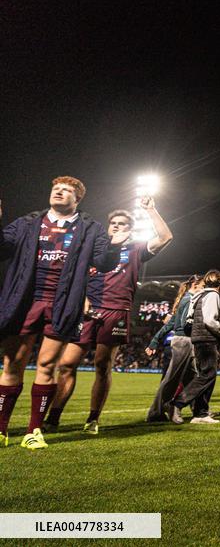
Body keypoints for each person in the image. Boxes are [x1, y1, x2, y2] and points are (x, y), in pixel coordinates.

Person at [0, 177, 127, 449]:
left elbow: (103, 264)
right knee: (13, 365)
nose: (59, 191)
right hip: (24, 301)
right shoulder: (28, 222)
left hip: (63, 303)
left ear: (77, 198)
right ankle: (1, 429)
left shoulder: (91, 229)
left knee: (47, 367)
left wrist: (115, 246)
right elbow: (3, 248)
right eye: (56, 188)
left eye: (67, 190)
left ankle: (34, 431)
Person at [45, 199, 173, 433]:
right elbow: (77, 278)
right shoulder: (95, 249)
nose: (116, 226)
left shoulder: (136, 249)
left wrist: (150, 209)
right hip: (87, 311)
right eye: (113, 223)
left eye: (122, 223)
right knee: (66, 364)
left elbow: (165, 237)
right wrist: (81, 300)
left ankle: (93, 419)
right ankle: (53, 418)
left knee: (102, 365)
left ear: (130, 229)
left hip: (116, 311)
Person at [171, 270, 220, 423]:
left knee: (207, 375)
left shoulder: (198, 295)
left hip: (197, 338)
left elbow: (189, 320)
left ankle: (201, 413)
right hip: (207, 338)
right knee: (207, 375)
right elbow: (210, 320)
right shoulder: (213, 295)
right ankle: (179, 402)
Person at [144, 275, 201, 422]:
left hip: (182, 341)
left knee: (193, 379)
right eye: (203, 285)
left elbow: (170, 325)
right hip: (184, 342)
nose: (204, 288)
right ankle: (156, 412)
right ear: (195, 285)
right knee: (171, 380)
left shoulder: (186, 299)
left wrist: (155, 340)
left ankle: (199, 410)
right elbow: (183, 325)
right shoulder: (189, 300)